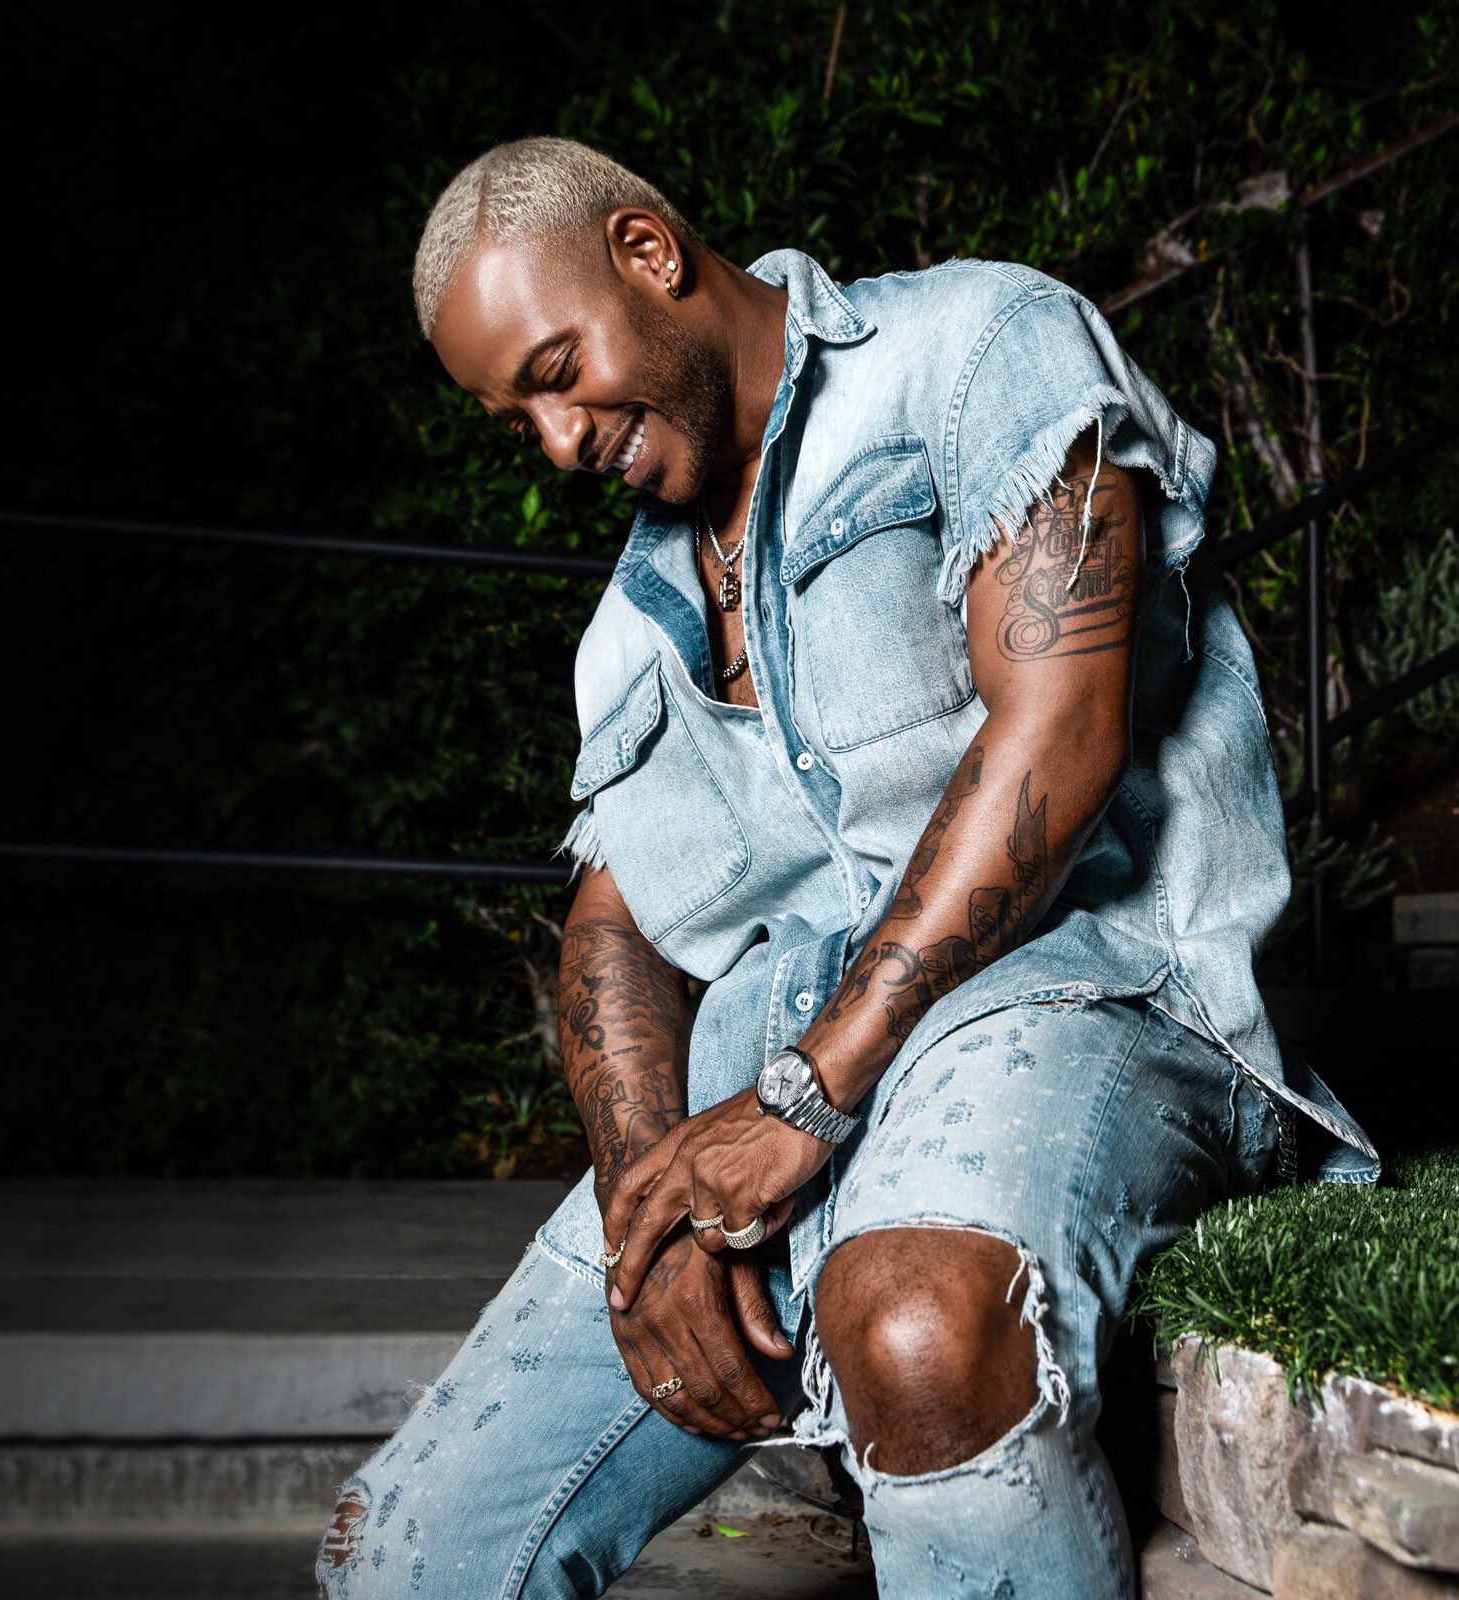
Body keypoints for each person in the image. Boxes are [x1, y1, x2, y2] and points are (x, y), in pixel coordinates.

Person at [317, 136, 1376, 1599]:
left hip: (1080, 1003)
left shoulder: (977, 348)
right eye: (518, 421)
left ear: (647, 253)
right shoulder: (631, 625)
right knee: (405, 1550)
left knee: (921, 1326)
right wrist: (649, 1210)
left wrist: (811, 1092)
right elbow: (614, 919)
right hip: (772, 1085)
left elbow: (1059, 736)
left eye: (558, 373)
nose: (556, 443)